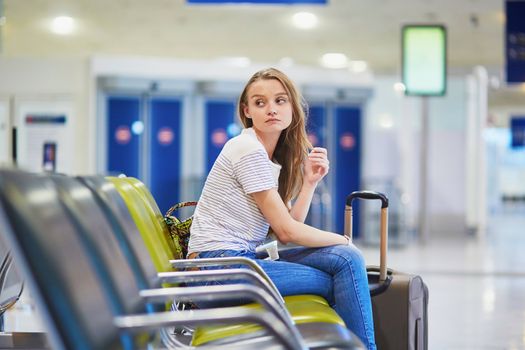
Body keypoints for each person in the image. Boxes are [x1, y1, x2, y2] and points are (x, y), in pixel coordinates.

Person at [187, 67, 376, 349]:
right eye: (260, 102)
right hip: (217, 270)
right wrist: (346, 240)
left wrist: (309, 183)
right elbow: (287, 233)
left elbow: (285, 225)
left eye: (280, 100)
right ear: (247, 110)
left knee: (345, 260)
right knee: (344, 268)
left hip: (238, 262)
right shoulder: (247, 150)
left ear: (292, 108)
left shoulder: (268, 157)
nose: (271, 109)